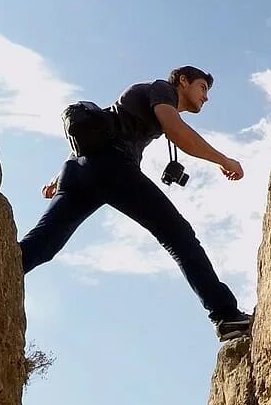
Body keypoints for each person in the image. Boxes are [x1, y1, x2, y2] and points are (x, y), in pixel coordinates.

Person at [19, 66, 252, 341]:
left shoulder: (139, 100)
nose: (206, 97)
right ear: (183, 81)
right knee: (178, 235)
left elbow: (96, 135)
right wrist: (223, 160)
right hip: (113, 166)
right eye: (202, 87)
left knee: (41, 245)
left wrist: (58, 180)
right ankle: (225, 316)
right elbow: (176, 130)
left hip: (78, 171)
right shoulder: (162, 89)